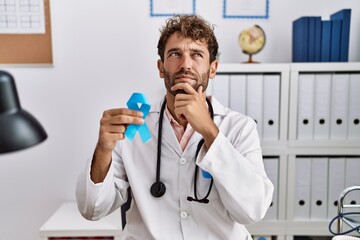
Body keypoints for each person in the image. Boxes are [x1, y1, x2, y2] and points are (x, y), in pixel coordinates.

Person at [76, 15, 274, 240]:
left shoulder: (239, 127)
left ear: (213, 68)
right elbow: (92, 210)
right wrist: (103, 149)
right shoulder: (134, 128)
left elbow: (254, 210)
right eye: (175, 54)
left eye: (197, 55)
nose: (185, 64)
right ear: (161, 68)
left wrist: (209, 131)